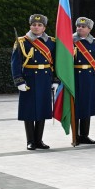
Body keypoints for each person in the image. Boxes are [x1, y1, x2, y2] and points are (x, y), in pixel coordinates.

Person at [11, 14, 58, 150]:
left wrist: (55, 79)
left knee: (42, 109)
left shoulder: (51, 42)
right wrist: (19, 81)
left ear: (44, 27)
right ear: (30, 26)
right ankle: (30, 141)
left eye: (39, 25)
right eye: (34, 25)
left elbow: (56, 62)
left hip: (45, 79)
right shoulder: (21, 41)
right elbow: (15, 63)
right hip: (29, 79)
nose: (36, 27)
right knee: (29, 110)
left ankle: (39, 140)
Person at [73, 16, 95, 145]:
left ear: (89, 29)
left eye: (83, 26)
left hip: (89, 78)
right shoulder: (69, 41)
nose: (80, 28)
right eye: (78, 26)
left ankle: (84, 135)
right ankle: (75, 136)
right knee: (74, 107)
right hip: (74, 77)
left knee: (86, 107)